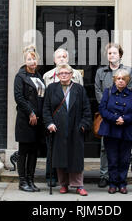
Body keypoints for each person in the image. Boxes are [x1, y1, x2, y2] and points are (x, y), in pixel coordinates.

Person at [43, 64, 92, 196]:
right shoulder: (51, 88)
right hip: (58, 128)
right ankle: (63, 184)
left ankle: (78, 185)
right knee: (60, 157)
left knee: (75, 157)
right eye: (61, 73)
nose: (64, 75)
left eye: (66, 73)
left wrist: (84, 125)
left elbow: (86, 109)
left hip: (75, 128)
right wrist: (49, 124)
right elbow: (46, 109)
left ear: (71, 75)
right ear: (57, 75)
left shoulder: (79, 89)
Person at [43, 48, 83, 187]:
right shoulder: (47, 76)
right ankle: (52, 177)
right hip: (55, 120)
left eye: (64, 56)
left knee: (73, 152)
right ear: (54, 60)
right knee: (54, 151)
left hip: (72, 120)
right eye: (59, 57)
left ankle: (73, 182)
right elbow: (45, 102)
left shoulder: (76, 75)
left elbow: (80, 99)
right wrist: (48, 121)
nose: (61, 59)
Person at [94, 43, 132, 188]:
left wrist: (120, 115)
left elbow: (129, 93)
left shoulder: (128, 70)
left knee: (122, 148)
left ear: (120, 55)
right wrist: (108, 112)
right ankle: (104, 175)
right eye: (109, 53)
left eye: (115, 53)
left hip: (123, 117)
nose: (112, 56)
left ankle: (119, 178)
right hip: (107, 116)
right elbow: (98, 91)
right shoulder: (100, 72)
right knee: (105, 147)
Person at [98, 68, 132, 194]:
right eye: (118, 79)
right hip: (111, 129)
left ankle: (122, 183)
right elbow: (102, 109)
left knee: (124, 159)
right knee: (112, 158)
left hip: (127, 129)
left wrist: (125, 119)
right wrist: (115, 118)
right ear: (114, 80)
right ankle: (112, 183)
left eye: (123, 79)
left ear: (127, 81)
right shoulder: (108, 92)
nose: (121, 81)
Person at [13, 45, 45, 192]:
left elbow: (41, 97)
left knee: (33, 151)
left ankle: (31, 180)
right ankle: (22, 181)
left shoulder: (38, 76)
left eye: (34, 59)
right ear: (25, 61)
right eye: (29, 59)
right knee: (24, 150)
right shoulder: (20, 76)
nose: (32, 61)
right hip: (25, 120)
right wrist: (31, 113)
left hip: (37, 120)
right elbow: (19, 97)